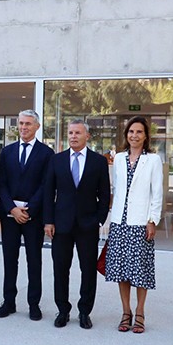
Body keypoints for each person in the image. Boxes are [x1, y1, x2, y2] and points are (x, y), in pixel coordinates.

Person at [44, 120, 110, 329]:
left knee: (88, 270)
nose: (73, 136)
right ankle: (63, 310)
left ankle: (84, 311)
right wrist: (48, 221)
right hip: (60, 225)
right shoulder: (57, 160)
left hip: (87, 225)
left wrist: (99, 219)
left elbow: (104, 193)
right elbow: (48, 193)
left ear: (87, 136)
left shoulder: (98, 161)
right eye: (71, 133)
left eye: (77, 133)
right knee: (60, 269)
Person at [105, 116, 163, 334]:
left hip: (140, 223)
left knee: (140, 270)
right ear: (126, 134)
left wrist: (152, 220)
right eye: (131, 132)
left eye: (139, 132)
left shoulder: (153, 160)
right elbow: (116, 189)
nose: (134, 135)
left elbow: (156, 193)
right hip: (120, 222)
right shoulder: (119, 158)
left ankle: (140, 312)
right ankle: (125, 311)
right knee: (121, 270)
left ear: (146, 136)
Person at [0, 110, 54, 321]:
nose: (23, 127)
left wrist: (30, 209)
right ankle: (8, 302)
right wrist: (12, 208)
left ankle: (33, 304)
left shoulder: (46, 153)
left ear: (37, 126)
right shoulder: (7, 152)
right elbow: (1, 183)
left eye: (28, 124)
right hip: (10, 215)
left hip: (33, 216)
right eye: (21, 123)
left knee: (34, 260)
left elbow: (46, 185)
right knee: (10, 260)